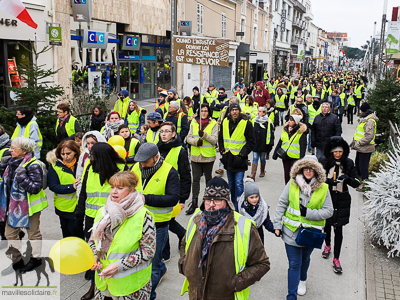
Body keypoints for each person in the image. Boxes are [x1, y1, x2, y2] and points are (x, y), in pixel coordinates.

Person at [179, 177, 270, 299]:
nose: (211, 204)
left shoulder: (243, 227)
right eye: (208, 200)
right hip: (196, 295)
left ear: (227, 202)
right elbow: (184, 244)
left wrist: (236, 282)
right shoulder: (195, 220)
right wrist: (184, 264)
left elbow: (262, 263)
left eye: (217, 200)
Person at [273, 156, 333, 299]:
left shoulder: (324, 188)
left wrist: (309, 213)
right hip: (290, 231)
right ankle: (291, 296)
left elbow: (329, 211)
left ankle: (303, 279)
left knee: (305, 259)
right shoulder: (292, 184)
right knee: (294, 263)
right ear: (300, 169)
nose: (308, 171)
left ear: (316, 171)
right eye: (305, 168)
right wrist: (277, 225)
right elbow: (282, 203)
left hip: (310, 234)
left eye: (311, 168)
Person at [89, 171, 156, 300]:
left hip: (132, 288)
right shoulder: (102, 212)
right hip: (104, 284)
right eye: (112, 187)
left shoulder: (143, 216)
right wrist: (95, 257)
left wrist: (119, 265)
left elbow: (148, 251)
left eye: (120, 188)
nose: (114, 192)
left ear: (131, 190)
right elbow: (93, 241)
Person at [75, 143, 126, 300]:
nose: (91, 158)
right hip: (92, 220)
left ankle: (112, 286)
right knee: (94, 254)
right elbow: (83, 193)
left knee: (109, 253)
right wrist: (79, 214)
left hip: (112, 219)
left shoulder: (121, 170)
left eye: (93, 155)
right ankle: (94, 286)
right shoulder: (90, 168)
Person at [130, 143, 180, 300]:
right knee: (142, 261)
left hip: (158, 227)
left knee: (152, 266)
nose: (142, 165)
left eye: (145, 161)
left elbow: (173, 198)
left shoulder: (170, 172)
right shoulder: (136, 168)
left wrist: (146, 199)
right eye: (140, 161)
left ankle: (149, 296)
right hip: (136, 224)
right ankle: (161, 266)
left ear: (156, 158)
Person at [0, 137, 48, 273]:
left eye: (13, 148)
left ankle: (36, 259)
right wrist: (2, 166)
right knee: (9, 233)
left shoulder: (33, 165)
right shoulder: (11, 162)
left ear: (23, 150)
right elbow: (6, 182)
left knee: (33, 234)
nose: (9, 150)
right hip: (13, 206)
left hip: (30, 207)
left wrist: (22, 177)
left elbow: (35, 188)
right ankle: (17, 262)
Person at [319, 137, 360, 274]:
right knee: (327, 225)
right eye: (335, 151)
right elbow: (317, 180)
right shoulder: (324, 162)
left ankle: (336, 258)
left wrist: (347, 178)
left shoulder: (348, 163)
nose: (337, 154)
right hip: (327, 198)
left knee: (339, 229)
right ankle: (328, 245)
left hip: (342, 200)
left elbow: (356, 182)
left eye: (340, 152)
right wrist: (329, 182)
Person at [157, 122, 191, 262]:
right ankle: (182, 234)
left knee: (164, 221)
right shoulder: (156, 148)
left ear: (173, 134)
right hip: (158, 189)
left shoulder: (180, 151)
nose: (163, 134)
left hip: (172, 192)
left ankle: (165, 253)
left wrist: (182, 199)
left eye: (166, 131)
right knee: (164, 220)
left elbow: (185, 175)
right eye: (161, 131)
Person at [218, 103, 255, 209]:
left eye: (236, 109)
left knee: (238, 183)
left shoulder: (246, 123)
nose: (234, 112)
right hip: (228, 159)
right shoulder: (225, 122)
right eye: (232, 110)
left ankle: (240, 205)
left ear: (239, 111)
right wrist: (222, 150)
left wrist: (243, 153)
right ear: (230, 111)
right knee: (230, 183)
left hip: (240, 159)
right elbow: (221, 137)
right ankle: (233, 204)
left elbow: (251, 141)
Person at [186, 104, 218, 215]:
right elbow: (188, 138)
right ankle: (194, 202)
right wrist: (195, 142)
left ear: (209, 112)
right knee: (195, 179)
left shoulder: (214, 123)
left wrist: (204, 136)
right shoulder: (194, 122)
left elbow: (214, 140)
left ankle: (208, 202)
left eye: (205, 111)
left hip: (208, 156)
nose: (203, 113)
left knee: (209, 179)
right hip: (195, 155)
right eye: (202, 111)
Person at [47, 140, 81, 238]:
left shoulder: (82, 163)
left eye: (68, 153)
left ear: (75, 151)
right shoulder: (54, 165)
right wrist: (71, 187)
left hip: (79, 206)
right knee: (67, 231)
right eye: (62, 154)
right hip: (64, 206)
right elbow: (53, 186)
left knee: (76, 231)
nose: (65, 157)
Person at [272, 110, 308, 184]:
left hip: (295, 157)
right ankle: (287, 190)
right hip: (285, 156)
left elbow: (303, 147)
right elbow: (280, 142)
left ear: (295, 122)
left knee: (293, 175)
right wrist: (275, 154)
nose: (289, 122)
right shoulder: (285, 130)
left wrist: (301, 160)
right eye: (289, 120)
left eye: (291, 120)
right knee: (286, 174)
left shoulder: (301, 133)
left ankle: (293, 189)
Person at [350, 102, 379, 189]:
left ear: (363, 111)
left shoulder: (370, 121)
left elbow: (369, 136)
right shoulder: (366, 119)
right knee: (358, 165)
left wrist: (359, 143)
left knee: (363, 167)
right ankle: (359, 181)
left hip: (365, 148)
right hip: (361, 148)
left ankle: (364, 184)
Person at [237, 178, 274, 245]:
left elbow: (267, 223)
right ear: (246, 198)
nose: (255, 199)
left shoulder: (263, 208)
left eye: (256, 196)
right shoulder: (240, 208)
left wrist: (276, 229)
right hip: (244, 239)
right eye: (251, 197)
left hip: (258, 239)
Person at [76, 131, 107, 200]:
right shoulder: (83, 156)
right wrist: (79, 196)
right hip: (88, 192)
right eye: (88, 143)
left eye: (93, 143)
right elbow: (79, 177)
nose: (90, 146)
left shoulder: (106, 155)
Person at [249, 106, 274, 180]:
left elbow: (271, 133)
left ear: (264, 113)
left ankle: (262, 171)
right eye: (258, 111)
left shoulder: (268, 121)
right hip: (255, 143)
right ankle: (253, 174)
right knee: (255, 158)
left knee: (262, 158)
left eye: (260, 111)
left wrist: (270, 144)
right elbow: (250, 131)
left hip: (264, 143)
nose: (258, 113)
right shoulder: (254, 120)